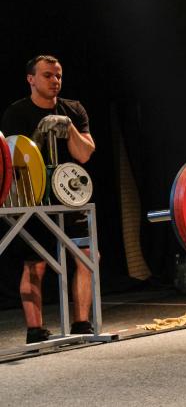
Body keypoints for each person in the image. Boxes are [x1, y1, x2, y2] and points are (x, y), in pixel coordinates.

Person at [1, 54, 97, 343]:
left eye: (58, 76)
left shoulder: (74, 110)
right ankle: (35, 330)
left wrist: (68, 127)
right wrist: (40, 134)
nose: (55, 81)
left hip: (70, 195)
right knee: (36, 262)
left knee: (87, 256)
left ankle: (82, 324)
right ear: (31, 79)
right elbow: (15, 157)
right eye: (47, 75)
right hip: (33, 196)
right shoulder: (16, 113)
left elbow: (84, 154)